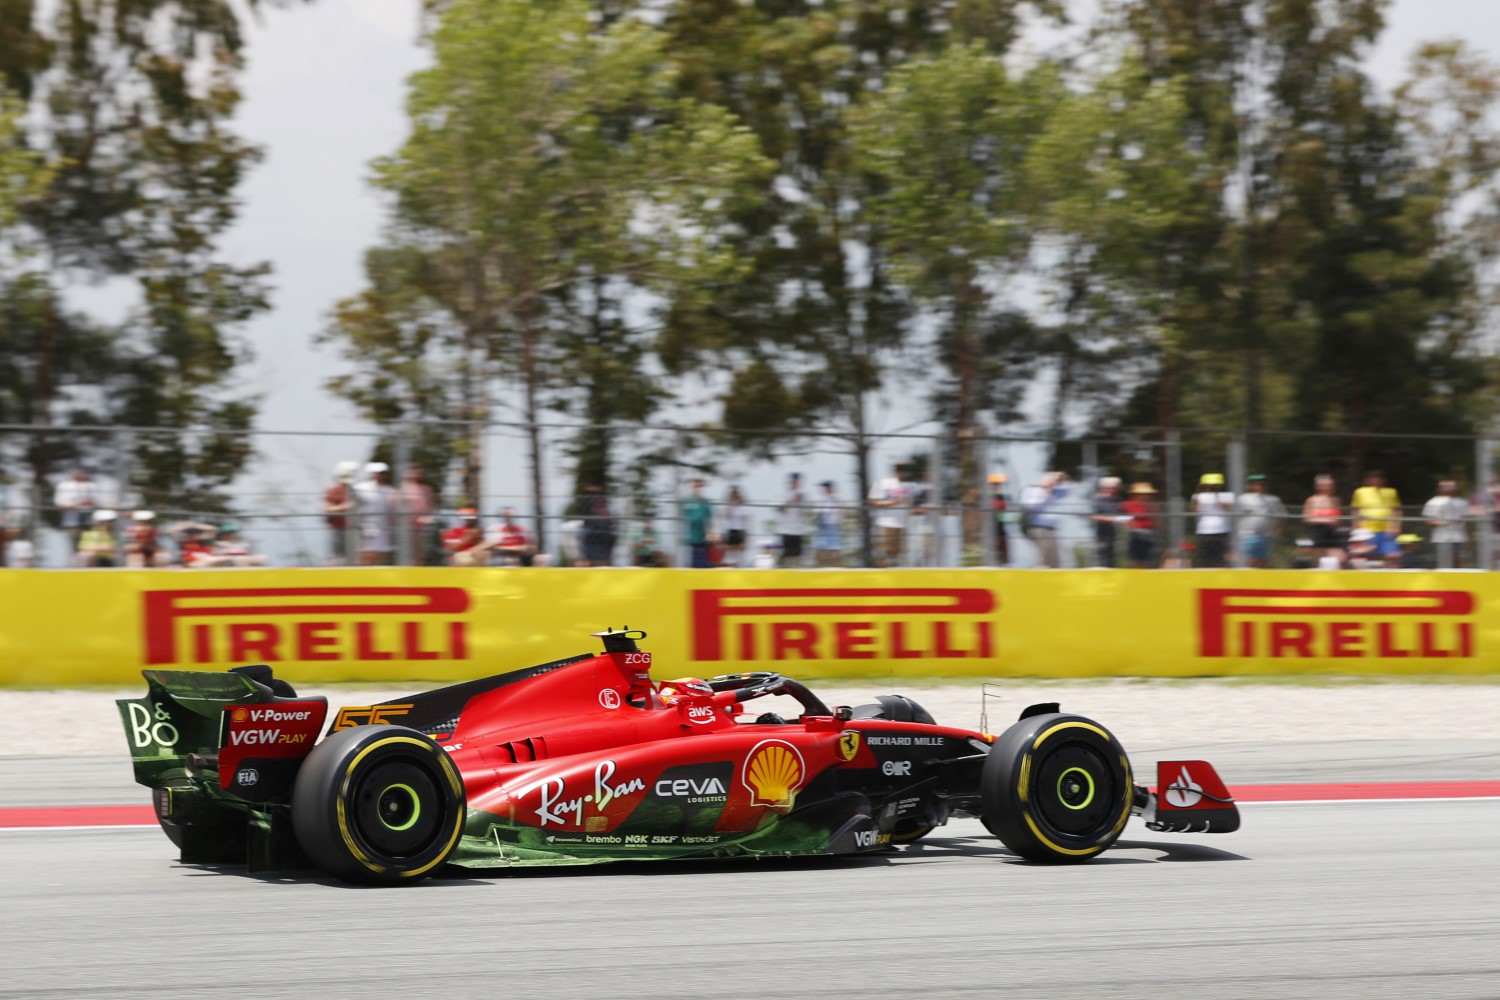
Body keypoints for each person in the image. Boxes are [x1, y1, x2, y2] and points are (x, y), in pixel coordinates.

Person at [1351, 470, 1401, 568]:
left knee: (1392, 556)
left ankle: (1392, 579)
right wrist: (1356, 528)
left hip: (1386, 530)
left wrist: (1396, 526)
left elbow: (1396, 510)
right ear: (1367, 480)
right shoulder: (1360, 491)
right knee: (1365, 555)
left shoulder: (1391, 492)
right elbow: (1355, 510)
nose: (1376, 480)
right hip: (1366, 530)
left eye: (1378, 478)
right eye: (1373, 478)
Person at [1020, 471, 1070, 568]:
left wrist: (1063, 476)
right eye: (1052, 481)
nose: (1054, 483)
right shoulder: (1032, 490)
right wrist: (1045, 491)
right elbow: (1031, 507)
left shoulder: (1055, 493)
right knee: (1044, 554)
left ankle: (1053, 575)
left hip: (1051, 529)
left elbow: (1070, 489)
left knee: (1055, 557)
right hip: (1038, 528)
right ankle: (1038, 574)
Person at [1235, 475, 1286, 569]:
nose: (1259, 487)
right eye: (1256, 484)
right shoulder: (1243, 499)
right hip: (1246, 535)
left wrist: (1276, 531)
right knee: (1248, 562)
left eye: (1262, 484)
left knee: (1263, 562)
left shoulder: (1273, 500)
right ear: (1250, 486)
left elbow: (1281, 516)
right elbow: (1234, 517)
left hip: (1265, 536)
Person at [869, 463, 914, 567]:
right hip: (885, 523)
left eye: (902, 470)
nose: (900, 473)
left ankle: (894, 572)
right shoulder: (882, 483)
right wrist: (892, 503)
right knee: (884, 550)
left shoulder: (908, 486)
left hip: (901, 523)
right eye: (898, 470)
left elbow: (910, 503)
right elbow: (873, 501)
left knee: (897, 552)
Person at [53, 465, 101, 562]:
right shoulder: (65, 486)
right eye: (79, 472)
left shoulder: (92, 486)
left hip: (89, 523)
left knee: (90, 550)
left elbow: (98, 503)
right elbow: (60, 505)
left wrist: (91, 503)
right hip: (71, 524)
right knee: (72, 550)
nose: (81, 475)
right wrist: (79, 504)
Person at [1422, 479, 1468, 569]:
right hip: (1441, 538)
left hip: (1459, 537)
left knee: (1458, 560)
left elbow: (1466, 521)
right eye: (1445, 487)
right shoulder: (1433, 502)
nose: (1448, 489)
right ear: (1439, 489)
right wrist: (1443, 522)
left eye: (1451, 486)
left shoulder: (1462, 502)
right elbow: (1428, 521)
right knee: (1443, 562)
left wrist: (1467, 538)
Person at [1191, 473, 1234, 568]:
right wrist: (1198, 493)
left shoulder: (1226, 495)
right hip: (1204, 531)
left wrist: (1216, 495)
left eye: (1215, 486)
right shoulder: (1198, 496)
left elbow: (1227, 507)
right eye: (1209, 486)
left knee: (1222, 558)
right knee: (1206, 559)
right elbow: (1195, 510)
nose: (1212, 487)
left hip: (1222, 531)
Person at [1302, 475, 1344, 566]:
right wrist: (1324, 520)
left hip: (1334, 531)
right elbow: (1306, 518)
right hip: (1319, 530)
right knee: (1320, 558)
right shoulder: (1312, 500)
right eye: (1325, 485)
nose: (1328, 488)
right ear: (1318, 486)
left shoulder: (1336, 500)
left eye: (1330, 485)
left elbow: (1339, 518)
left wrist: (1336, 522)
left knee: (1340, 558)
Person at [398, 466, 436, 566]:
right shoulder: (402, 489)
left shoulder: (427, 489)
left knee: (421, 553)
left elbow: (431, 506)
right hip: (408, 527)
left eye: (418, 472)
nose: (416, 474)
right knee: (409, 553)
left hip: (423, 528)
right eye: (413, 471)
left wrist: (428, 518)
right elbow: (398, 507)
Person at [323, 462, 358, 565]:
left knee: (350, 556)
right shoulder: (333, 491)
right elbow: (327, 508)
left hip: (350, 529)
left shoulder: (353, 491)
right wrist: (344, 507)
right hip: (336, 528)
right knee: (336, 556)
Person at [575, 484, 616, 567]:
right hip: (592, 533)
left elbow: (610, 521)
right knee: (588, 559)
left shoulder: (603, 505)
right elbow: (584, 504)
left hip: (602, 535)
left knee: (600, 560)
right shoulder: (588, 503)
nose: (597, 495)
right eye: (593, 493)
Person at [1089, 477, 1124, 568]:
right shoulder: (1096, 500)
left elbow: (1123, 513)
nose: (1114, 491)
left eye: (1116, 488)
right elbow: (1093, 516)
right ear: (1104, 488)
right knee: (1100, 561)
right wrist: (1112, 519)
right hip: (1099, 536)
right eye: (1113, 488)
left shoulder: (1117, 500)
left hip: (1116, 537)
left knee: (1112, 562)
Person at [1122, 483, 1159, 568]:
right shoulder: (1130, 504)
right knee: (1138, 559)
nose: (1146, 496)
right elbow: (1138, 515)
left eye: (1148, 494)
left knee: (1150, 558)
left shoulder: (1150, 505)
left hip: (1150, 533)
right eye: (1143, 494)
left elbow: (1156, 521)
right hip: (1137, 534)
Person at [680, 479, 713, 568]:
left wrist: (709, 533)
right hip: (690, 536)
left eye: (699, 486)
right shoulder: (687, 501)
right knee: (690, 561)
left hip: (702, 536)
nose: (697, 488)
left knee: (701, 561)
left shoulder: (705, 502)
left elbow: (709, 518)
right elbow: (683, 516)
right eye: (695, 486)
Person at [778, 473, 808, 567]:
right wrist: (791, 500)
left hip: (798, 530)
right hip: (786, 529)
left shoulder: (803, 495)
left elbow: (807, 512)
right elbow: (780, 509)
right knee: (786, 554)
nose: (795, 483)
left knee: (798, 555)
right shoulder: (783, 493)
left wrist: (801, 501)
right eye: (793, 481)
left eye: (797, 481)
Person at [813, 480, 844, 567]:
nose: (825, 489)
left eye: (826, 487)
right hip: (823, 526)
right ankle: (819, 569)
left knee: (835, 550)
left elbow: (840, 512)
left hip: (833, 526)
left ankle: (836, 568)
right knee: (820, 550)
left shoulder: (836, 499)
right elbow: (817, 512)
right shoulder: (820, 499)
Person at [722, 486, 749, 568]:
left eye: (736, 494)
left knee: (739, 556)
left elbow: (745, 523)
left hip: (739, 531)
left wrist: (744, 540)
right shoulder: (727, 507)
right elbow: (724, 520)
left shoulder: (743, 508)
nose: (734, 496)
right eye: (733, 494)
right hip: (729, 531)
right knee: (729, 555)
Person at [988, 473, 1011, 566]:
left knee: (1001, 559)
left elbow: (1002, 515)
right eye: (995, 484)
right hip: (991, 532)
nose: (997, 486)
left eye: (998, 484)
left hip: (1000, 531)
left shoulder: (1001, 497)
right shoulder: (988, 498)